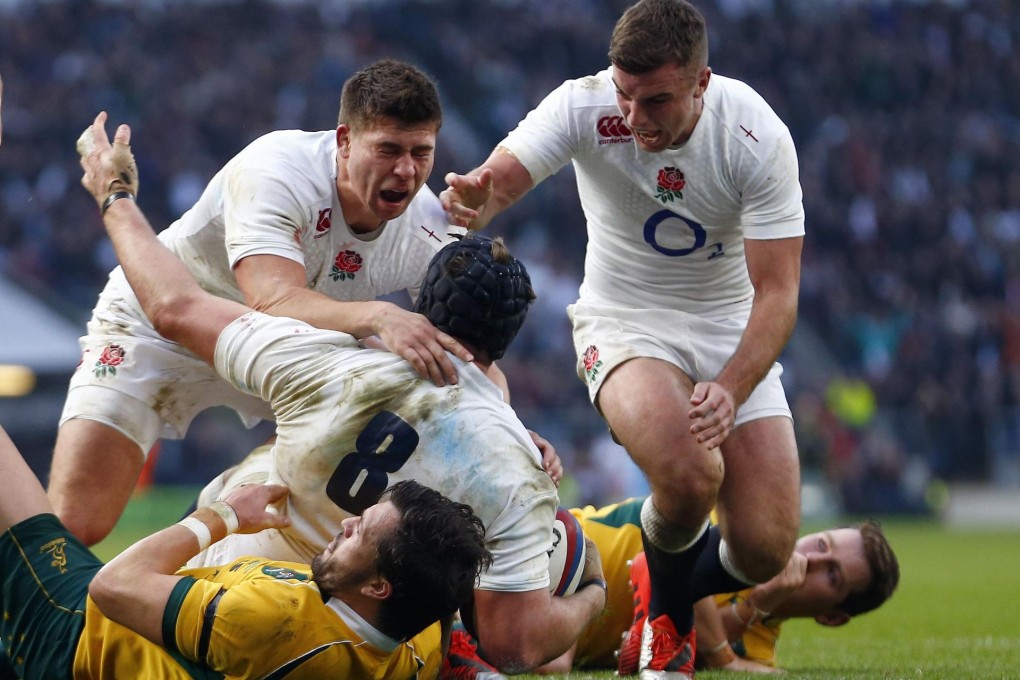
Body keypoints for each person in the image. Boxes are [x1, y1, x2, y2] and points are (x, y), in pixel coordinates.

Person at [77, 113, 607, 674]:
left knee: (242, 478)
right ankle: (456, 652)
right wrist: (592, 589)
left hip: (239, 595)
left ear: (421, 300)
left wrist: (115, 195)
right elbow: (519, 645)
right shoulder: (512, 459)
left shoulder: (331, 363)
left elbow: (174, 307)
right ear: (506, 340)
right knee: (496, 603)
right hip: (372, 639)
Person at [441, 1, 804, 675]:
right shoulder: (584, 107)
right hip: (624, 319)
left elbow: (779, 291)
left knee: (766, 548)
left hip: (730, 329)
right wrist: (474, 196)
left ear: (702, 83)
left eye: (657, 101)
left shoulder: (754, 134)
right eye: (626, 96)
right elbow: (499, 182)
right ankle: (668, 627)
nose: (635, 119)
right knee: (692, 474)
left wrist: (730, 386)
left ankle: (658, 582)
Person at [51, 58, 474, 547]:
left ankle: (227, 503)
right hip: (158, 323)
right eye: (388, 150)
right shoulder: (276, 169)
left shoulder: (430, 227)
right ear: (343, 141)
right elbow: (271, 302)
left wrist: (507, 424)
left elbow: (461, 355)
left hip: (285, 356)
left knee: (408, 411)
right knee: (77, 524)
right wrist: (379, 314)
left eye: (422, 152)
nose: (406, 170)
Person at [0, 416, 492, 679]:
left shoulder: (272, 621)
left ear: (381, 586)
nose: (344, 525)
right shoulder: (414, 644)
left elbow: (113, 586)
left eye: (359, 534)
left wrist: (224, 516)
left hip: (72, 635)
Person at [451, 497, 899, 676]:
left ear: (832, 616)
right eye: (822, 544)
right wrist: (724, 655)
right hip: (563, 552)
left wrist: (758, 605)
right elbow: (675, 576)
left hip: (570, 635)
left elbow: (706, 638)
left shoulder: (758, 648)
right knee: (541, 655)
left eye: (831, 574)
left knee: (551, 662)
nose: (812, 559)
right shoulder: (740, 527)